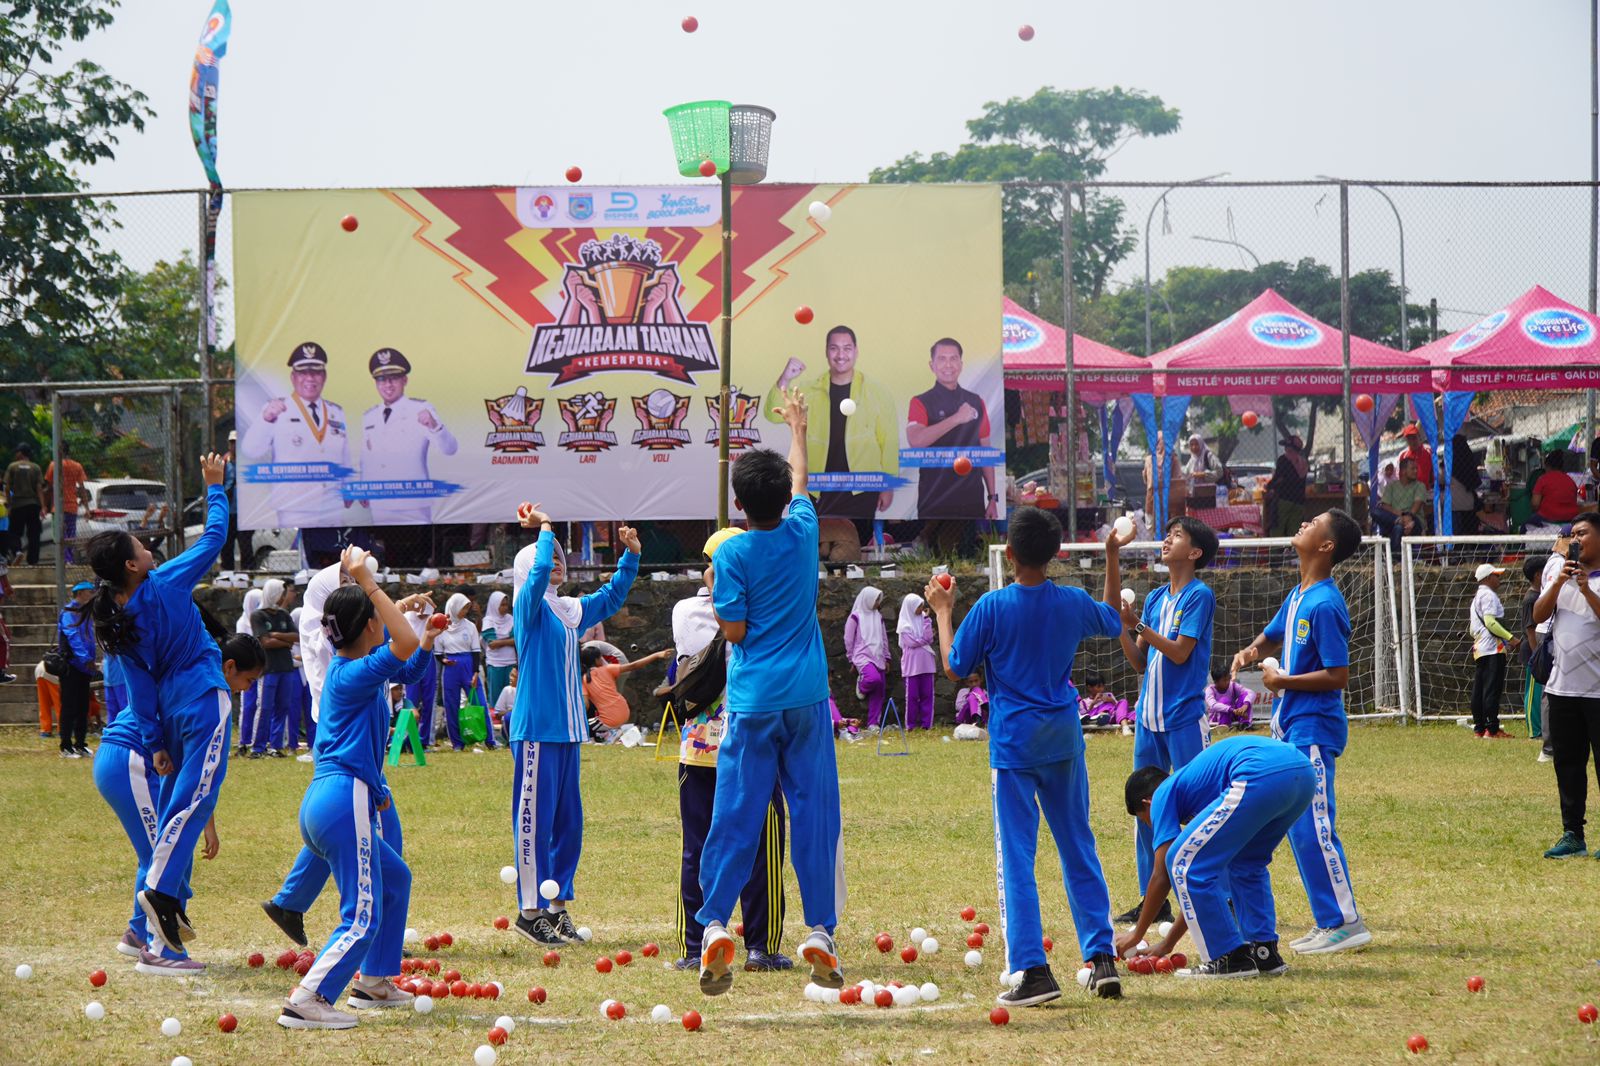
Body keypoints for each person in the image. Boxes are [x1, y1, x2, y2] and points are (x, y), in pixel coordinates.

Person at [925, 507, 1132, 1007]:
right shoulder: (1071, 602)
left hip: (1015, 746)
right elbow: (1112, 619)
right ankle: (1101, 958)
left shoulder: (993, 608)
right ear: (1058, 554)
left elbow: (954, 667)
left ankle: (1034, 971)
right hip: (1062, 739)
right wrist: (1110, 556)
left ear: (1010, 554)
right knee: (1078, 843)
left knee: (1016, 856)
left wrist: (942, 611)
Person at [697, 387, 844, 998]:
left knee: (737, 812)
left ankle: (712, 926)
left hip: (753, 699)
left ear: (738, 503)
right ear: (787, 500)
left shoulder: (731, 552)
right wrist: (799, 427)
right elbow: (803, 480)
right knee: (813, 812)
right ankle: (820, 930)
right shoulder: (805, 531)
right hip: (806, 698)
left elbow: (732, 630)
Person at [83, 453, 233, 958]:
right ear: (132, 565)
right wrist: (215, 485)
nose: (148, 548)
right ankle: (161, 898)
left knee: (185, 803)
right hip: (202, 699)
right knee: (193, 802)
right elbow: (213, 539)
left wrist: (155, 742)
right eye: (140, 546)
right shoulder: (164, 582)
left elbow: (140, 692)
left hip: (170, 714)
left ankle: (152, 912)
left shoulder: (119, 621)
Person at [276, 548, 428, 1029]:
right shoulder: (355, 673)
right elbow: (402, 643)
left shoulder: (354, 670)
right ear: (368, 627)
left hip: (337, 795)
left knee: (394, 878)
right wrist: (368, 582)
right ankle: (308, 999)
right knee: (359, 915)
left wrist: (425, 631)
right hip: (343, 801)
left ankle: (374, 981)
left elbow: (408, 660)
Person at [1231, 508, 1372, 954]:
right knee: (1297, 826)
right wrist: (1252, 652)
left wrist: (1282, 682)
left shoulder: (1327, 603)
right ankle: (1328, 918)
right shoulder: (1299, 595)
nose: (1303, 524)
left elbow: (1338, 675)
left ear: (1326, 547)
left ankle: (1345, 922)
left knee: (1315, 826)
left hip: (1312, 727)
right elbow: (1274, 636)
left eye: (1312, 523)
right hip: (1291, 726)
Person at [507, 505, 639, 948]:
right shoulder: (529, 606)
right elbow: (540, 569)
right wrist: (546, 529)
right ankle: (529, 911)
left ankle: (557, 906)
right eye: (553, 556)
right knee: (534, 822)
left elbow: (611, 597)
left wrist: (631, 557)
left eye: (565, 555)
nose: (558, 561)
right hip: (536, 731)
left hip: (567, 732)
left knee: (568, 824)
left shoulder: (566, 610)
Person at [96, 636, 264, 974]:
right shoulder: (207, 694)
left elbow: (195, 773)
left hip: (129, 762)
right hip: (129, 762)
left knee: (167, 851)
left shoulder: (194, 678)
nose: (246, 690)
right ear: (229, 668)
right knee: (164, 855)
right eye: (248, 681)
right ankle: (161, 950)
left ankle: (139, 933)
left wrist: (208, 825)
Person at [671, 528, 791, 974]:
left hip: (697, 751)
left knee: (698, 848)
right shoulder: (765, 610)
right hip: (750, 748)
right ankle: (761, 948)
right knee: (764, 848)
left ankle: (692, 946)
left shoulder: (684, 610)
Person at [1117, 736, 1317, 979]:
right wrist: (1168, 944)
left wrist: (1136, 934)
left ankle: (1229, 958)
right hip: (1303, 772)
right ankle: (1264, 953)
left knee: (1181, 862)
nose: (1151, 826)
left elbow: (1164, 874)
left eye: (1145, 819)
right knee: (1246, 863)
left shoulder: (1162, 794)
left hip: (1257, 773)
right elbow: (1199, 893)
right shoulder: (1202, 794)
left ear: (1146, 802)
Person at [1114, 515, 1219, 926]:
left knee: (1200, 807)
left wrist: (1137, 623)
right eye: (1168, 534)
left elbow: (1178, 652)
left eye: (1177, 536)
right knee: (1148, 807)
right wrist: (1124, 629)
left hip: (1183, 717)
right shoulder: (1157, 597)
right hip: (1148, 719)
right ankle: (1153, 900)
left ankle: (1216, 892)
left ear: (1194, 553)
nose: (1167, 540)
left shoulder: (1199, 596)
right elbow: (1141, 661)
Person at [766, 325, 898, 520]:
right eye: (834, 348)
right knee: (815, 544)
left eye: (847, 348)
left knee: (854, 544)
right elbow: (773, 414)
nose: (840, 354)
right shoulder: (809, 389)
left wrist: (888, 485)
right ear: (826, 352)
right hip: (817, 486)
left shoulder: (877, 392)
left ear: (856, 351)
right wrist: (785, 377)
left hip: (861, 488)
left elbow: (888, 441)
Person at [1532, 514, 1600, 859]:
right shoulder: (1560, 576)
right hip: (1563, 689)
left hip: (1598, 692)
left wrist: (1587, 589)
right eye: (1572, 534)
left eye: (1583, 533)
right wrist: (1559, 583)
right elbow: (1538, 616)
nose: (1576, 539)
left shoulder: (1595, 582)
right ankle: (1573, 833)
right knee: (1569, 765)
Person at [239, 342, 353, 529]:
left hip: (332, 504)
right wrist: (266, 419)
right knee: (301, 557)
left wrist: (349, 487)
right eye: (303, 372)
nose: (310, 378)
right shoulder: (276, 409)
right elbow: (251, 450)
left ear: (324, 376)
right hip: (295, 507)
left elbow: (345, 456)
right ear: (293, 377)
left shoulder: (335, 412)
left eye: (315, 372)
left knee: (335, 556)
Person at [355, 348, 458, 525]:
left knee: (418, 550)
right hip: (380, 502)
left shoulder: (420, 408)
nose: (388, 385)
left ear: (405, 380)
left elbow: (449, 449)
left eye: (393, 378)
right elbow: (367, 458)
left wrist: (434, 425)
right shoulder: (369, 416)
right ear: (376, 383)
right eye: (381, 379)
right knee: (384, 550)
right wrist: (364, 486)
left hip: (412, 503)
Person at [905, 337, 998, 519]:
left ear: (961, 364)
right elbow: (916, 441)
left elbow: (985, 452)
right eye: (942, 359)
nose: (948, 364)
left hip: (972, 499)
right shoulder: (920, 402)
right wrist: (956, 418)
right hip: (934, 500)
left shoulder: (976, 401)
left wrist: (992, 498)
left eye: (953, 359)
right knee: (935, 547)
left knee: (969, 547)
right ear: (932, 365)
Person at [251, 579, 300, 759]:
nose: (282, 597)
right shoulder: (258, 615)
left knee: (282, 707)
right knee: (264, 708)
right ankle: (258, 747)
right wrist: (284, 641)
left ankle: (276, 746)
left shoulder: (284, 615)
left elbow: (296, 637)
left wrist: (276, 635)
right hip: (269, 668)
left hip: (286, 667)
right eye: (280, 592)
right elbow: (265, 642)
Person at [1468, 563, 1517, 739]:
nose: (1499, 579)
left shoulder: (1476, 598)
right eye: (1496, 575)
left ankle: (1479, 728)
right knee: (1492, 689)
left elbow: (1473, 629)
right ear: (1488, 578)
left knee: (1480, 689)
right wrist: (1510, 638)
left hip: (1480, 647)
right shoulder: (1489, 596)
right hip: (1492, 648)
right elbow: (1490, 622)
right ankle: (1492, 729)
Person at [582, 644, 671, 737]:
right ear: (597, 660)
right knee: (594, 724)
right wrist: (656, 655)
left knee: (583, 727)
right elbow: (633, 665)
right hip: (624, 710)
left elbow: (586, 705)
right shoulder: (608, 669)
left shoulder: (583, 680)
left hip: (610, 720)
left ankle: (612, 734)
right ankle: (612, 733)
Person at [435, 593, 487, 751]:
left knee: (480, 702)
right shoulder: (442, 627)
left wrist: (475, 672)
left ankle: (488, 739)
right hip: (451, 667)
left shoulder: (469, 626)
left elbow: (476, 651)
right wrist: (443, 660)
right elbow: (438, 652)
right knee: (451, 705)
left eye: (467, 608)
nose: (465, 611)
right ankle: (457, 743)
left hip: (468, 664)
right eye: (463, 608)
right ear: (454, 607)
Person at [56, 580, 98, 758]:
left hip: (84, 668)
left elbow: (89, 638)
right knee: (69, 706)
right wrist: (86, 658)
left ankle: (80, 744)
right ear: (79, 594)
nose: (91, 595)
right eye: (89, 592)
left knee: (83, 707)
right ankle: (66, 746)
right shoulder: (69, 613)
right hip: (72, 667)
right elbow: (73, 636)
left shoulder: (85, 613)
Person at [1520, 554, 1552, 762]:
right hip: (1533, 650)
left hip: (1537, 649)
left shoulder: (1538, 596)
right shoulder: (1531, 598)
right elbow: (1530, 629)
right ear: (1539, 575)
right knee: (1533, 693)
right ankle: (1534, 729)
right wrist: (1536, 655)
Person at [844, 587, 891, 730]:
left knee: (880, 690)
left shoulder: (878, 616)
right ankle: (862, 686)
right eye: (876, 599)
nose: (878, 603)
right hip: (862, 656)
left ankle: (873, 723)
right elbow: (848, 638)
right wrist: (851, 658)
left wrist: (887, 657)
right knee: (873, 679)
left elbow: (883, 637)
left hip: (878, 656)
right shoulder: (855, 616)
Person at [399, 595, 438, 747]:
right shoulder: (406, 617)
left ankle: (425, 740)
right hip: (410, 658)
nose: (424, 614)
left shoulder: (432, 619)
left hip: (428, 658)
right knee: (410, 700)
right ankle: (407, 740)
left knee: (429, 700)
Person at [43, 442, 89, 563]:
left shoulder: (53, 465)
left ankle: (63, 561)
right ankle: (69, 560)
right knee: (70, 536)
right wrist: (87, 508)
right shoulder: (77, 466)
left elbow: (48, 487)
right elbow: (82, 488)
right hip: (72, 507)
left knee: (58, 536)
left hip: (57, 508)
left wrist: (43, 505)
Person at [897, 593, 936, 730]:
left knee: (927, 695)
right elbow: (911, 643)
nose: (921, 609)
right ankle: (911, 725)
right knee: (912, 697)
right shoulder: (904, 625)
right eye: (919, 606)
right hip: (912, 666)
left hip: (927, 664)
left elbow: (929, 638)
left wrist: (926, 619)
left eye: (922, 606)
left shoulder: (925, 620)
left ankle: (926, 724)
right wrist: (922, 640)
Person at [1374, 456, 1429, 548]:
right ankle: (1398, 521)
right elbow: (1385, 506)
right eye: (1412, 469)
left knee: (1398, 528)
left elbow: (1417, 505)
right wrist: (1401, 516)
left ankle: (1396, 560)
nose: (1416, 471)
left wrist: (1408, 517)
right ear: (1403, 471)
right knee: (1375, 511)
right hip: (1395, 519)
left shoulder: (1420, 485)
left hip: (1414, 521)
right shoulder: (1391, 486)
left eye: (1416, 469)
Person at [233, 588, 263, 756]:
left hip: (260, 669)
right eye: (256, 604)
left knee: (261, 705)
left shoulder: (260, 620)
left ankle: (257, 740)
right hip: (246, 670)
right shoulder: (242, 623)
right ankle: (243, 741)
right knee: (248, 705)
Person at [4, 443, 44, 565]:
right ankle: (33, 561)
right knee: (34, 534)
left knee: (14, 532)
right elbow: (39, 488)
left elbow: (7, 486)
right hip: (33, 505)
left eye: (17, 452)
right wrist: (43, 506)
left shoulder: (12, 467)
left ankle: (17, 551)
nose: (16, 454)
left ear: (21, 453)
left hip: (18, 505)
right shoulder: (36, 467)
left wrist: (9, 503)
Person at [1263, 434, 1307, 537]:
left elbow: (1279, 478)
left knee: (1277, 529)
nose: (1285, 448)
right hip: (1298, 501)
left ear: (1290, 448)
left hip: (1283, 500)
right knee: (1294, 531)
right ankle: (1293, 552)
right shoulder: (1303, 462)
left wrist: (1269, 486)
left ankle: (1275, 552)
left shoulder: (1284, 460)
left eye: (1287, 446)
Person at [220, 431, 252, 571]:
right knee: (227, 545)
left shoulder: (248, 462)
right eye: (232, 443)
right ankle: (228, 573)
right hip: (229, 511)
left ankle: (248, 573)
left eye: (237, 443)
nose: (234, 446)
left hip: (244, 512)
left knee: (246, 546)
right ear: (228, 444)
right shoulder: (223, 462)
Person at [482, 591, 516, 709]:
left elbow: (517, 640)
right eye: (502, 605)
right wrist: (509, 640)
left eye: (506, 605)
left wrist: (500, 642)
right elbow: (492, 643)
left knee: (512, 696)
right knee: (495, 696)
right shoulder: (488, 621)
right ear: (494, 605)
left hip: (511, 662)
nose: (505, 608)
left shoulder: (511, 619)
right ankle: (496, 723)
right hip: (495, 663)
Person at [1531, 450, 1580, 530]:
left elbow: (1535, 504)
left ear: (1547, 466)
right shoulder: (1570, 480)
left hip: (1548, 517)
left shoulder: (1543, 479)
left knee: (1524, 526)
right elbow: (1574, 499)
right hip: (1571, 517)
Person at [1449, 434, 1482, 536]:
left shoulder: (1448, 466)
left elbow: (1439, 480)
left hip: (1453, 507)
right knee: (1468, 535)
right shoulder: (1469, 463)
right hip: (1469, 506)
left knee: (1456, 535)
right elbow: (1475, 483)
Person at [1205, 665, 1255, 730]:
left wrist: (1245, 705)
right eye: (1224, 680)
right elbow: (1213, 705)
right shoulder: (1210, 690)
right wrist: (1232, 710)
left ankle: (1245, 724)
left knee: (1245, 695)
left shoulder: (1233, 686)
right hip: (1217, 719)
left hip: (1233, 714)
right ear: (1216, 682)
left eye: (1229, 678)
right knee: (1224, 700)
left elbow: (1251, 692)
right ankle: (1224, 727)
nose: (1228, 682)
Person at [1400, 425, 1434, 490]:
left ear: (1419, 437)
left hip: (1427, 491)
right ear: (1406, 441)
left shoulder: (1429, 451)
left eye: (1414, 438)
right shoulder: (1403, 456)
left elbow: (1434, 473)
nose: (1412, 442)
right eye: (1409, 439)